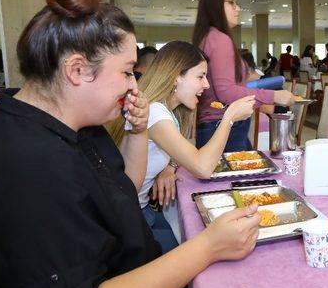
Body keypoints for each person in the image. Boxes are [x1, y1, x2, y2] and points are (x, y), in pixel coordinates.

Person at [0, 0, 261, 288]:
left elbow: (124, 190)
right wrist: (206, 247)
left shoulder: (76, 126)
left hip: (123, 272)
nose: (134, 86)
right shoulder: (28, 161)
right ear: (77, 70)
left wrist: (138, 131)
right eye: (126, 72)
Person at [109, 41, 256, 253]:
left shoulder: (170, 111)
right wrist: (229, 118)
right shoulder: (156, 111)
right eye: (200, 76)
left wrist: (168, 166)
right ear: (176, 76)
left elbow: (186, 146)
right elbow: (202, 167)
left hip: (141, 209)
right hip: (128, 219)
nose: (206, 85)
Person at [192, 0, 293, 151]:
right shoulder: (219, 39)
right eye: (231, 2)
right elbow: (226, 92)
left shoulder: (207, 37)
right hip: (224, 126)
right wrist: (274, 95)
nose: (237, 8)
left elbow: (229, 87)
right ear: (215, 6)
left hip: (216, 125)